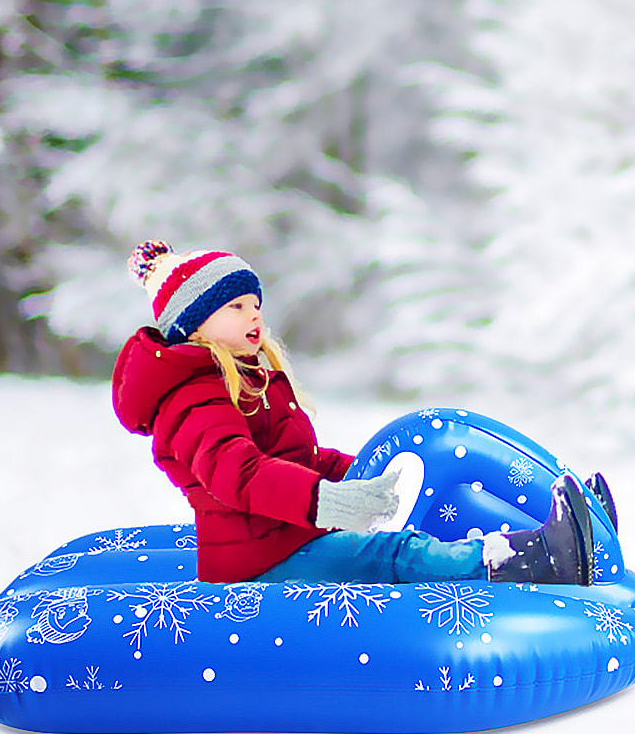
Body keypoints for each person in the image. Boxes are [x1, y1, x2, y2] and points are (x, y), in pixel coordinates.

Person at [112, 241, 594, 587]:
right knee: (394, 551)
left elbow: (298, 457)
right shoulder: (194, 396)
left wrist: (364, 474)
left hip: (290, 535)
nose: (254, 315)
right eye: (236, 306)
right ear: (194, 323)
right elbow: (238, 476)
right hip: (260, 560)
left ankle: (554, 524)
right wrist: (327, 501)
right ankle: (533, 558)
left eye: (256, 304)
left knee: (417, 519)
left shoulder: (246, 376)